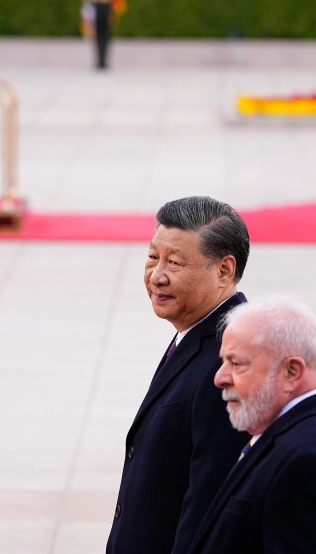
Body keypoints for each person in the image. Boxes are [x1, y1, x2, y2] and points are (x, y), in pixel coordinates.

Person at [106, 196, 251, 554]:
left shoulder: (228, 359)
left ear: (224, 270)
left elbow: (209, 504)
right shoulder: (192, 333)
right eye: (153, 257)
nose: (156, 275)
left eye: (174, 262)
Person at [188, 296, 316, 554]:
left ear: (292, 372)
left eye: (236, 364)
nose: (219, 378)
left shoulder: (310, 461)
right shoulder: (304, 437)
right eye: (223, 361)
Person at [81, 0, 126, 70]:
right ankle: (98, 60)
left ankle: (104, 60)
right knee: (96, 32)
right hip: (94, 2)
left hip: (107, 2)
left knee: (105, 32)